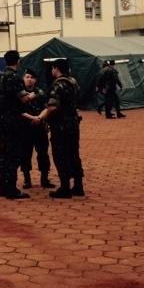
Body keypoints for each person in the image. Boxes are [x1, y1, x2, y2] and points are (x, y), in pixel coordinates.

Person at [0, 50, 37, 200]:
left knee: (3, 152)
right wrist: (33, 95)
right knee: (13, 153)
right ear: (18, 61)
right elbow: (23, 99)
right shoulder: (15, 77)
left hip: (1, 118)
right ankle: (11, 189)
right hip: (13, 119)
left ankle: (2, 187)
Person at [37, 59, 84, 199]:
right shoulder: (73, 82)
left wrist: (46, 119)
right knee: (73, 153)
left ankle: (65, 188)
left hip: (60, 126)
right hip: (73, 123)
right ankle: (78, 185)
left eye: (52, 68)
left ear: (56, 68)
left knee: (61, 155)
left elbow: (53, 106)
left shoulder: (57, 85)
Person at [19, 69, 54, 189]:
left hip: (39, 127)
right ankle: (27, 180)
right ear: (23, 78)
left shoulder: (40, 92)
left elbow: (46, 107)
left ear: (35, 80)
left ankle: (44, 179)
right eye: (27, 77)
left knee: (43, 153)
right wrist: (32, 118)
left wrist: (39, 117)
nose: (29, 80)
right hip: (25, 128)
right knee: (25, 154)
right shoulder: (20, 93)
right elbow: (18, 110)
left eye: (32, 77)